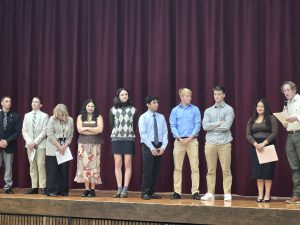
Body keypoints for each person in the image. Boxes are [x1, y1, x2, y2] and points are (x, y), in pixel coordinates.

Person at [201, 85, 235, 202]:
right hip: (210, 143)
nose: (217, 96)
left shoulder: (229, 109)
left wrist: (213, 126)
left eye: (219, 94)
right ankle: (210, 192)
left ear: (223, 95)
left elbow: (226, 126)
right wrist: (218, 123)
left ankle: (227, 193)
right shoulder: (208, 110)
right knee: (211, 169)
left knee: (226, 169)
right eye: (215, 94)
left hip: (224, 143)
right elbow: (205, 126)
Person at [169, 88, 201, 200]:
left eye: (190, 96)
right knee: (177, 168)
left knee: (195, 168)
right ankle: (177, 191)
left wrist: (190, 137)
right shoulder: (174, 110)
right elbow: (172, 125)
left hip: (192, 141)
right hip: (179, 142)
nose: (189, 98)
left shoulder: (195, 109)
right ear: (181, 97)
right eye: (186, 96)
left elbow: (198, 125)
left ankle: (195, 192)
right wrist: (178, 137)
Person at [246, 99, 278, 202]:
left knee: (267, 172)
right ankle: (260, 195)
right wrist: (255, 144)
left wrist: (263, 144)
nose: (259, 108)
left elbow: (274, 133)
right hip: (256, 147)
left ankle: (267, 195)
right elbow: (248, 134)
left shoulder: (271, 118)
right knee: (258, 172)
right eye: (258, 106)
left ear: (266, 108)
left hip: (268, 146)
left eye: (262, 106)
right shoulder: (252, 119)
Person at [138, 96, 168, 200]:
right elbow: (143, 134)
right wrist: (151, 148)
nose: (156, 104)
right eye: (154, 103)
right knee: (148, 169)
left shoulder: (161, 117)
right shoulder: (143, 117)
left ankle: (151, 191)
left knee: (156, 169)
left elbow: (165, 132)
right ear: (148, 104)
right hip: (148, 145)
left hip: (159, 144)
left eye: (157, 102)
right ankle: (145, 192)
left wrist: (163, 147)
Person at [110, 88, 138, 198]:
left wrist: (128, 133)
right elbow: (112, 124)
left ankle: (125, 189)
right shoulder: (113, 110)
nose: (124, 96)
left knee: (127, 164)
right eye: (122, 94)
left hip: (128, 139)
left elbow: (134, 125)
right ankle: (119, 188)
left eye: (126, 94)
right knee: (117, 164)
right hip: (116, 139)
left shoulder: (133, 110)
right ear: (118, 96)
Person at [74, 99, 103, 197]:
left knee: (94, 166)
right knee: (84, 166)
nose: (90, 108)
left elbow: (99, 130)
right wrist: (92, 130)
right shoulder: (80, 117)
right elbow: (79, 130)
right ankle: (86, 189)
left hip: (95, 144)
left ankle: (93, 189)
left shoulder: (99, 117)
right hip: (82, 145)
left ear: (95, 108)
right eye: (88, 106)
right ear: (85, 107)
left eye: (92, 106)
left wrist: (86, 128)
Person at [45, 104, 74, 197]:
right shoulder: (52, 119)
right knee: (52, 171)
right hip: (53, 147)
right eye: (57, 115)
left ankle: (63, 191)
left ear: (65, 113)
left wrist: (65, 145)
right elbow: (49, 134)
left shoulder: (70, 120)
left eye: (61, 115)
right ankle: (52, 190)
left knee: (63, 170)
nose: (59, 117)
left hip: (64, 147)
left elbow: (70, 136)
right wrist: (59, 146)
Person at [22, 97, 49, 194]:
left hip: (40, 145)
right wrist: (30, 142)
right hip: (29, 145)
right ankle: (34, 186)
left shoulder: (45, 116)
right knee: (32, 166)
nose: (34, 103)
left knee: (41, 165)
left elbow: (45, 131)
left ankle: (42, 186)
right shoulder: (27, 115)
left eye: (36, 102)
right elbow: (24, 130)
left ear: (40, 105)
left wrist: (35, 142)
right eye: (33, 101)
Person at [281, 81, 300, 204]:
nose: (286, 92)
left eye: (288, 90)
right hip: (290, 136)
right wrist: (284, 118)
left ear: (294, 90)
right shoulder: (287, 103)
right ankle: (297, 194)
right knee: (294, 167)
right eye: (284, 91)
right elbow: (285, 123)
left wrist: (297, 118)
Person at [0, 96, 20, 194]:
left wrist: (7, 141)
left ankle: (8, 187)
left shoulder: (14, 116)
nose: (9, 103)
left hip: (9, 145)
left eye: (10, 101)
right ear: (2, 103)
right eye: (6, 101)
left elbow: (17, 132)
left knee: (8, 167)